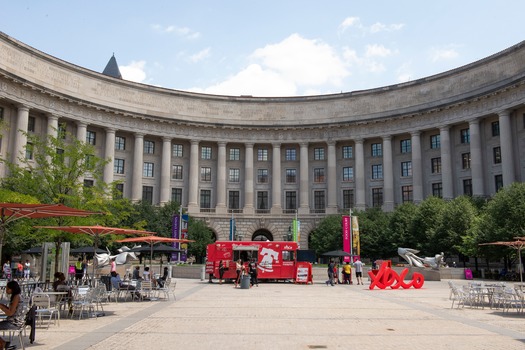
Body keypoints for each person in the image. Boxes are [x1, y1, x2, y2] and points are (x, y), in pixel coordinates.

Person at [0, 280, 25, 349]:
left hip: (14, 323)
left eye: (7, 288)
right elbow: (12, 310)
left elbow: (10, 313)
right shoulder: (17, 296)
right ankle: (3, 343)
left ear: (12, 289)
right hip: (15, 321)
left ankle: (3, 343)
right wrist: (2, 305)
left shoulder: (16, 297)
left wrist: (1, 307)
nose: (6, 290)